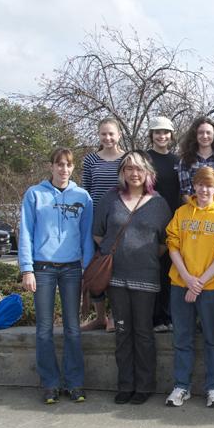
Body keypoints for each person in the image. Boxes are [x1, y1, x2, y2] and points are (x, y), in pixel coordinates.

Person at [94, 151, 171, 405]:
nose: (134, 173)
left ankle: (144, 386)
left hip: (146, 277)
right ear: (123, 173)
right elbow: (98, 234)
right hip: (115, 277)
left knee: (143, 332)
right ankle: (125, 384)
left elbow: (164, 243)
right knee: (123, 331)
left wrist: (144, 255)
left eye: (139, 169)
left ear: (148, 172)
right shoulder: (110, 199)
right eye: (129, 168)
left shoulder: (158, 204)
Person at [19, 148, 94, 404]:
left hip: (73, 268)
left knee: (73, 328)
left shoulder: (83, 197)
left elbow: (86, 236)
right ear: (51, 166)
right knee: (44, 329)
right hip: (43, 268)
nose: (63, 169)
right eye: (59, 164)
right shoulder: (34, 194)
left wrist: (88, 268)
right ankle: (49, 383)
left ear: (74, 168)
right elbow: (26, 232)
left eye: (68, 165)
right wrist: (26, 269)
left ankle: (75, 383)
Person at [165, 166, 214, 409]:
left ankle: (213, 388)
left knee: (213, 339)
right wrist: (187, 278)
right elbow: (172, 244)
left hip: (210, 287)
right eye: (201, 184)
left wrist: (200, 282)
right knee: (182, 338)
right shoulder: (182, 213)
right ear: (194, 186)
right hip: (180, 284)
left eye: (210, 186)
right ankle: (182, 386)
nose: (205, 189)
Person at [81, 117, 126, 332]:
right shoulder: (90, 160)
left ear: (119, 135)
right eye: (103, 134)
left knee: (117, 270)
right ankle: (100, 317)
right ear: (98, 135)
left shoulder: (127, 159)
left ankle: (115, 317)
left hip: (121, 222)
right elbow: (86, 192)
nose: (107, 138)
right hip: (96, 223)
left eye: (111, 133)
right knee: (96, 269)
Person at [146, 116, 179, 334]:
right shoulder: (144, 159)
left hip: (174, 222)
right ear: (151, 135)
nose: (161, 136)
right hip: (150, 220)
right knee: (152, 270)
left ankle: (169, 315)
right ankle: (155, 317)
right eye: (157, 132)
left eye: (165, 132)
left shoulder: (178, 160)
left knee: (170, 270)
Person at [178, 116, 214, 204]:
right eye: (201, 133)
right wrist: (198, 210)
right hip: (193, 211)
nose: (205, 136)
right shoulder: (186, 160)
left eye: (208, 133)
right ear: (195, 135)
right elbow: (185, 191)